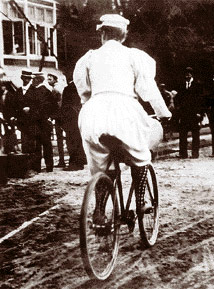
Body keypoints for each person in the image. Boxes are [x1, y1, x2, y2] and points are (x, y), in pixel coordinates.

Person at [73, 14, 171, 223]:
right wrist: (164, 113)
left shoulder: (89, 58)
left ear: (103, 33)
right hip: (124, 110)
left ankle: (99, 210)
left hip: (94, 112)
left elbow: (83, 90)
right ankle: (141, 200)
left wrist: (93, 101)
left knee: (100, 166)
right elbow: (148, 89)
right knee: (140, 155)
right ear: (123, 36)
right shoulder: (134, 56)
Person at [174, 66, 204, 159]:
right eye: (186, 73)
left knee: (195, 135)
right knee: (182, 134)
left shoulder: (198, 85)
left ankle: (195, 153)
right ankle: (183, 153)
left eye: (189, 73)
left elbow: (201, 100)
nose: (187, 75)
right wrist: (178, 110)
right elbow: (177, 99)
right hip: (184, 114)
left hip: (194, 114)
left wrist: (200, 112)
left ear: (192, 74)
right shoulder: (181, 85)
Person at [59, 74, 86, 171]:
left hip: (70, 119)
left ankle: (74, 164)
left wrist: (62, 120)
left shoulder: (68, 89)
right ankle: (80, 161)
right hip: (78, 117)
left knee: (71, 142)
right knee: (78, 141)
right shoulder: (81, 87)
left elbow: (65, 107)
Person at [31, 72, 56, 172]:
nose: (32, 81)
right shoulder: (47, 91)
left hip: (38, 123)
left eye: (34, 79)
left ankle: (37, 167)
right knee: (47, 145)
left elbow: (38, 108)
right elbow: (55, 107)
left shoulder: (37, 92)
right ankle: (49, 166)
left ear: (38, 80)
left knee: (38, 146)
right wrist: (51, 118)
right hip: (45, 123)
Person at [47, 73, 66, 168]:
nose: (48, 81)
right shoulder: (62, 87)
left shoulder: (55, 90)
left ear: (55, 79)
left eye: (50, 79)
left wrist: (52, 116)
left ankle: (62, 160)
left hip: (59, 116)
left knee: (59, 138)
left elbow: (54, 105)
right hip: (64, 115)